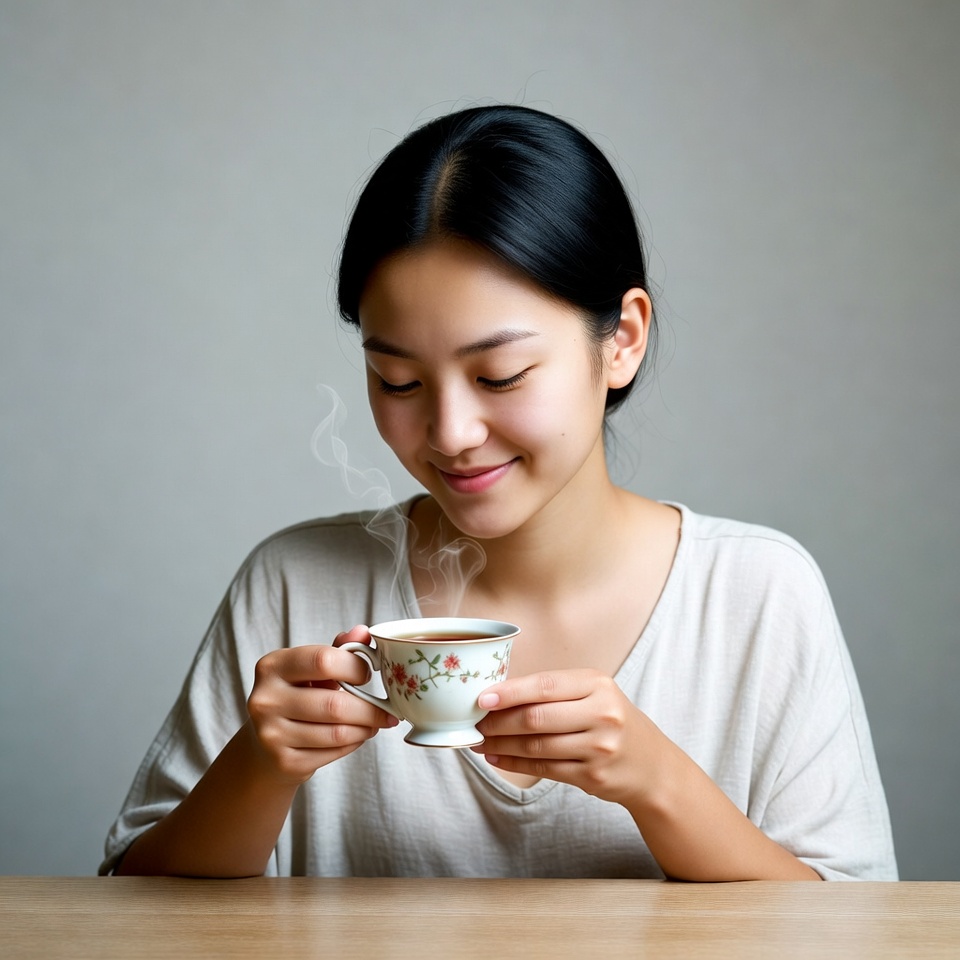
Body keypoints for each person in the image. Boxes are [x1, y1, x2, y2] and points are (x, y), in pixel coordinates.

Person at [101, 104, 897, 881]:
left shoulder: (757, 595)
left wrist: (659, 783)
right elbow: (129, 900)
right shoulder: (294, 584)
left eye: (501, 376)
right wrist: (257, 767)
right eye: (398, 380)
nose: (450, 433)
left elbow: (857, 931)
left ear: (622, 340)